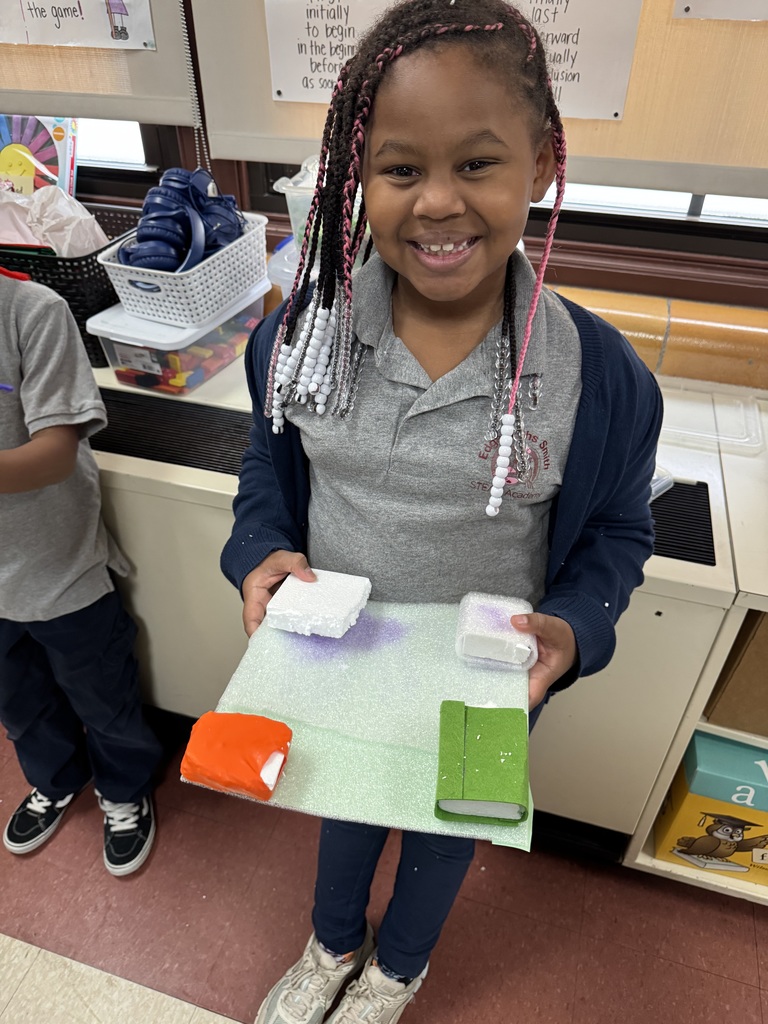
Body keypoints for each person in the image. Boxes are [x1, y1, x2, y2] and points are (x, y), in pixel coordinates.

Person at [221, 1, 663, 1020]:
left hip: (484, 683)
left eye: (477, 164)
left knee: (444, 826)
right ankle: (332, 943)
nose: (436, 205)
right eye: (402, 169)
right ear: (354, 177)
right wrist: (262, 549)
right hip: (342, 663)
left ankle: (397, 969)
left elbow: (617, 534)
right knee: (346, 801)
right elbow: (266, 468)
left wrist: (573, 626)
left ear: (544, 162)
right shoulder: (302, 340)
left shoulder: (600, 379)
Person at [0, 266, 162, 877]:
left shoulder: (30, 310)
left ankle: (124, 789)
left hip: (58, 565)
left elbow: (53, 456)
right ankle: (54, 777)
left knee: (102, 697)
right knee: (18, 703)